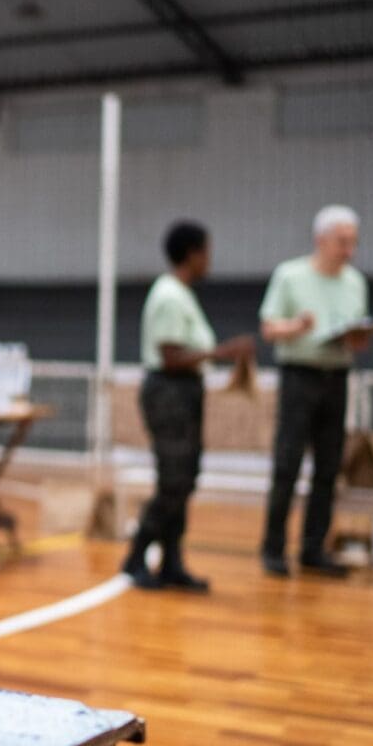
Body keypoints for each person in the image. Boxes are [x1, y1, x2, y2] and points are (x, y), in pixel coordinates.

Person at [121, 221, 254, 592]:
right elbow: (170, 355)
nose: (209, 260)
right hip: (170, 392)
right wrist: (223, 352)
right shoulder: (169, 295)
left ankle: (172, 562)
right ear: (192, 253)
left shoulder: (182, 293)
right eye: (206, 252)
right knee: (174, 480)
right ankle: (136, 557)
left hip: (184, 392)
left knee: (186, 476)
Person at [258, 204, 373, 578]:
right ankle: (273, 548)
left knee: (328, 467)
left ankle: (313, 548)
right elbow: (270, 329)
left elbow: (357, 335)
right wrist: (298, 326)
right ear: (320, 240)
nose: (348, 250)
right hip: (299, 376)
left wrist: (358, 338)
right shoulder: (290, 276)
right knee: (287, 464)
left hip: (336, 377)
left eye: (353, 242)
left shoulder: (355, 281)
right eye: (342, 241)